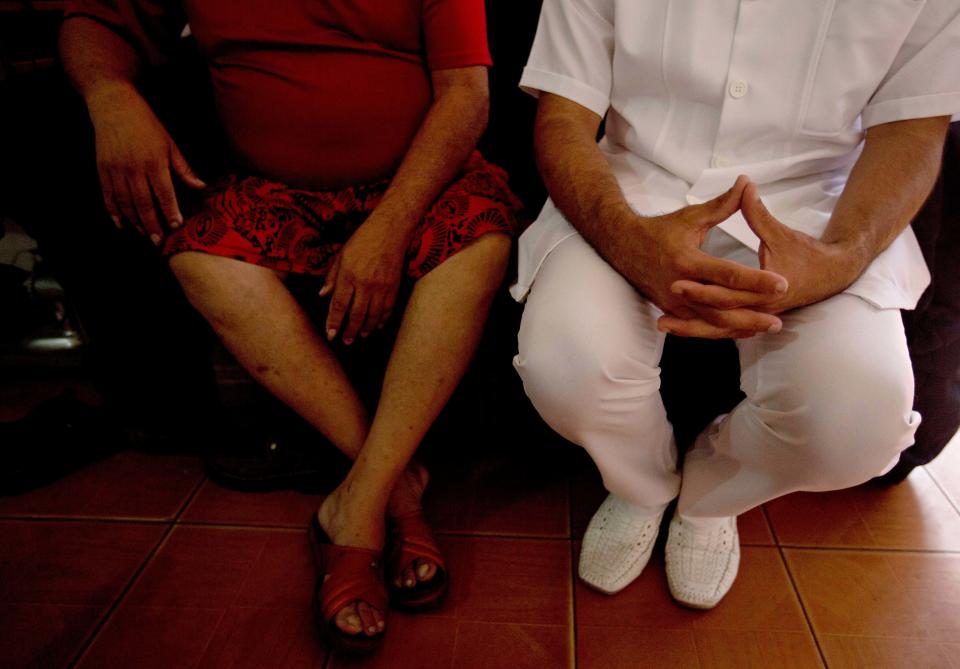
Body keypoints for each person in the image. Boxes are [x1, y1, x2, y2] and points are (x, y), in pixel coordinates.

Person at [59, 0, 521, 652]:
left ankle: (354, 512)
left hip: (415, 181)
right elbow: (91, 20)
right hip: (274, 187)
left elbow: (467, 97)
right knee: (200, 257)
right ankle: (395, 484)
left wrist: (388, 227)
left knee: (484, 243)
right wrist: (109, 95)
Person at [513, 0, 958, 609]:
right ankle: (644, 484)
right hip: (630, 187)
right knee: (563, 363)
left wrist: (841, 257)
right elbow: (564, 110)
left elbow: (913, 126)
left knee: (857, 425)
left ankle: (711, 497)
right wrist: (625, 238)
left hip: (819, 207)